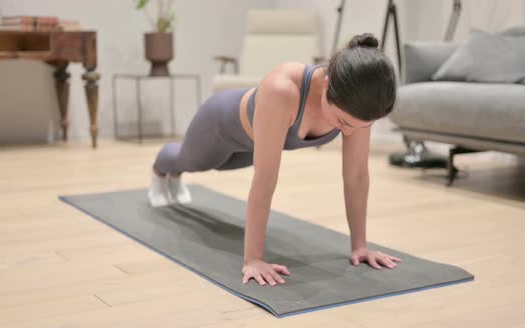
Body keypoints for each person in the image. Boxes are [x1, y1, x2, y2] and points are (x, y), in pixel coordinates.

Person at [149, 33, 401, 286]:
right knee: (193, 162)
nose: (349, 132)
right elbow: (265, 180)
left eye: (359, 126)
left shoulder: (360, 102)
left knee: (223, 166)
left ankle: (174, 174)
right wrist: (253, 259)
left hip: (255, 143)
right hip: (219, 126)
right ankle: (161, 169)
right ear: (326, 85)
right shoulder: (283, 89)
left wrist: (360, 246)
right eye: (343, 123)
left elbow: (356, 175)